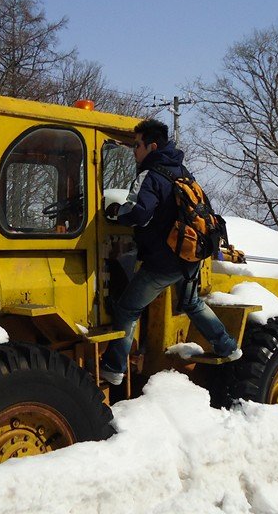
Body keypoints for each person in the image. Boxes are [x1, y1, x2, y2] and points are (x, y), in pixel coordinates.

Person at [101, 119, 241, 386]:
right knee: (192, 303)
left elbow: (139, 214)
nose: (135, 151)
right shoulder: (183, 171)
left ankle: (113, 367)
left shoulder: (150, 175)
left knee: (127, 309)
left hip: (163, 261)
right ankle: (227, 346)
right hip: (190, 256)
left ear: (152, 146)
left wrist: (117, 212)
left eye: (137, 145)